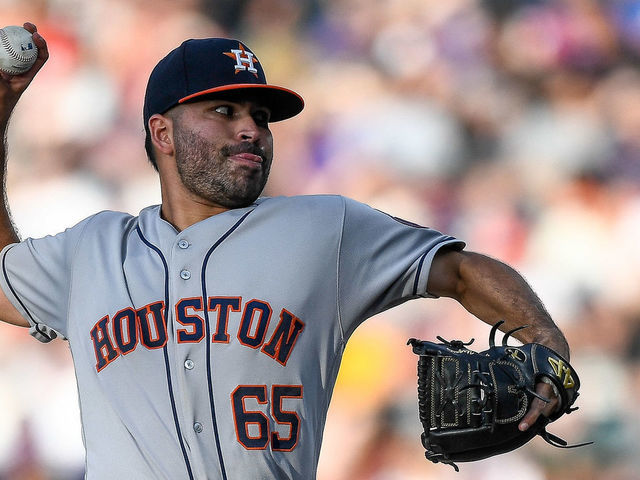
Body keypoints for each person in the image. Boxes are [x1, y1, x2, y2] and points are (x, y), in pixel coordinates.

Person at [0, 23, 570, 480]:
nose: (251, 129)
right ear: (162, 133)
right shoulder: (93, 250)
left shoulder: (326, 228)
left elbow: (462, 270)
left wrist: (544, 335)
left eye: (260, 117)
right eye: (224, 111)